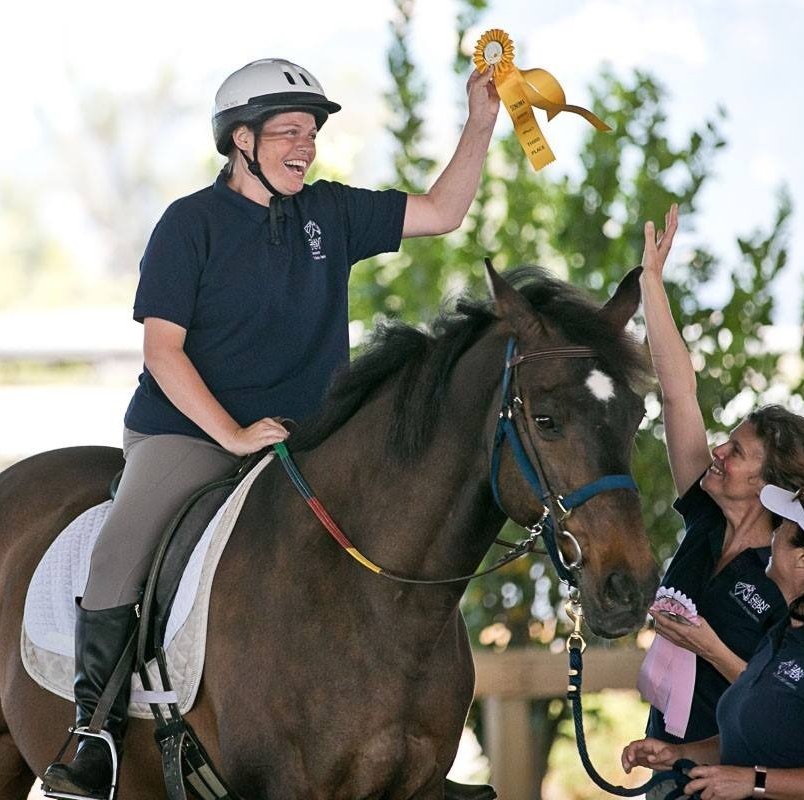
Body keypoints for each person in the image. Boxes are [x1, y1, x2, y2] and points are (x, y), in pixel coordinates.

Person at [42, 57, 500, 799]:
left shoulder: (331, 213)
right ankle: (92, 734)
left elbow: (444, 212)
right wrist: (228, 433)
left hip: (308, 441)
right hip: (189, 435)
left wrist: (479, 123)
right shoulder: (189, 224)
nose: (305, 144)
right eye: (289, 130)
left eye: (312, 132)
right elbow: (162, 351)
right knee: (120, 551)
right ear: (240, 140)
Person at [635, 203, 804, 754]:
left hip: (738, 775)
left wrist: (708, 645)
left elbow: (788, 702)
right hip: (667, 760)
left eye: (737, 451)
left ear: (769, 483)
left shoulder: (794, 566)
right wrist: (651, 284)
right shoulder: (706, 513)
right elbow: (678, 391)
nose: (717, 451)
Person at [621, 481, 804, 800]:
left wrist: (753, 781)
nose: (774, 532)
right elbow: (753, 740)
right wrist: (680, 753)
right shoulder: (784, 633)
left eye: (784, 526)